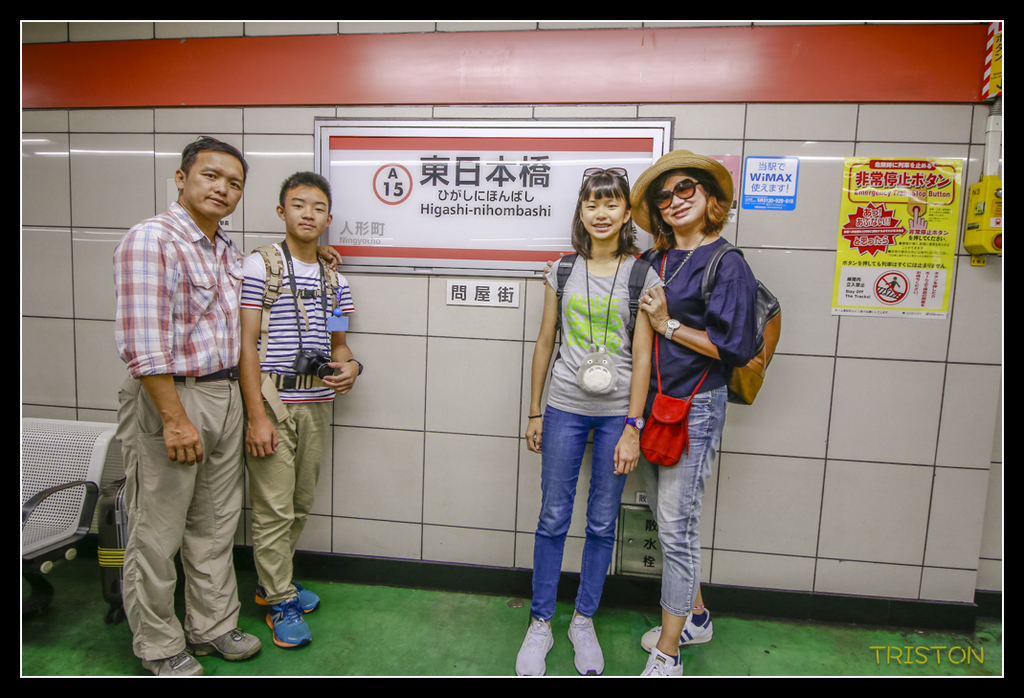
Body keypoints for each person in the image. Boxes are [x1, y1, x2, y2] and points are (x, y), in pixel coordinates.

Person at [114, 136, 261, 676]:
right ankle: (158, 645)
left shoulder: (227, 251)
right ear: (181, 178)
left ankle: (213, 625)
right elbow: (142, 343)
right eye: (211, 176)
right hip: (172, 397)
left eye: (234, 183)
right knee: (157, 530)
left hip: (224, 394)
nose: (223, 189)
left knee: (217, 523)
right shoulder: (151, 241)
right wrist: (173, 419)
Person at [517, 168, 661, 676]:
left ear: (626, 213)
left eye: (611, 204)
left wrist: (633, 426)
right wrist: (535, 410)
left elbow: (642, 355)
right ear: (581, 211)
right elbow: (543, 343)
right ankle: (540, 623)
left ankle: (583, 619)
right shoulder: (560, 270)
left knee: (601, 522)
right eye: (592, 204)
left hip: (617, 414)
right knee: (552, 517)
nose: (601, 213)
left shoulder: (643, 274)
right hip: (563, 410)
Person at [630, 151, 759, 676]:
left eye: (687, 190)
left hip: (697, 407)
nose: (676, 201)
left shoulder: (727, 263)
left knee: (678, 527)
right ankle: (696, 615)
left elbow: (735, 347)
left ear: (710, 199)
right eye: (665, 196)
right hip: (652, 405)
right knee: (666, 518)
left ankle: (669, 651)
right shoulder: (653, 262)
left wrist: (668, 326)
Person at [239, 172, 359, 649]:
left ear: (329, 218)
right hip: (272, 399)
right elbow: (246, 344)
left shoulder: (336, 281)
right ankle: (279, 597)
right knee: (272, 508)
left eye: (317, 208)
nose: (308, 214)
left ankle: (274, 586)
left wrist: (352, 369)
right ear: (281, 212)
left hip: (317, 403)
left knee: (299, 504)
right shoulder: (258, 267)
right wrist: (256, 416)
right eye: (298, 205)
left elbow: (341, 345)